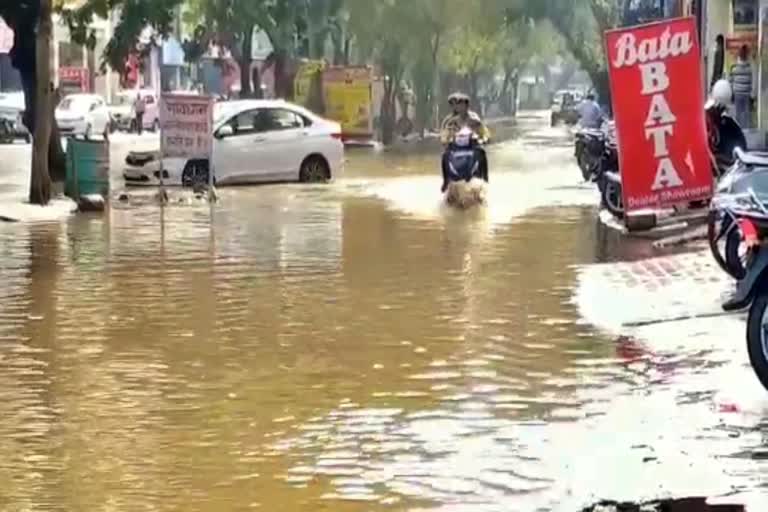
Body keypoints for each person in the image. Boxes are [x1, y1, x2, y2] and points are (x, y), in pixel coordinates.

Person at [439, 92, 490, 192]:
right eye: (457, 105)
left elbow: (485, 132)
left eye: (461, 105)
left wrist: (484, 139)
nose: (458, 108)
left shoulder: (474, 120)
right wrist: (445, 140)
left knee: (482, 152)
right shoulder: (451, 121)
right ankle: (445, 181)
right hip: (456, 146)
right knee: (445, 155)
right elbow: (445, 133)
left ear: (467, 106)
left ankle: (485, 177)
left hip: (471, 146)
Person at [730, 44, 754, 128]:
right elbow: (751, 81)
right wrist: (752, 93)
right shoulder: (750, 68)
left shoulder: (734, 68)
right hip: (746, 93)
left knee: (738, 112)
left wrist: (732, 91)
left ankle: (739, 128)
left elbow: (731, 80)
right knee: (746, 112)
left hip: (737, 93)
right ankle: (746, 129)